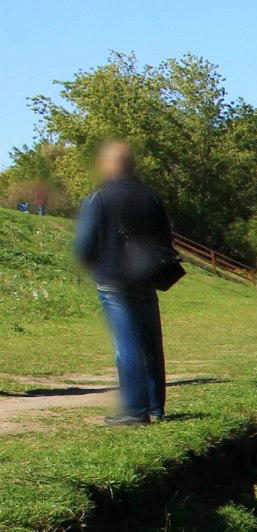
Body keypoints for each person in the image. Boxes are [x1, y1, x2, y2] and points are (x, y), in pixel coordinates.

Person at [73, 140, 178, 426]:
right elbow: (166, 240)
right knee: (151, 342)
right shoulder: (151, 198)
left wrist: (92, 263)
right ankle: (156, 406)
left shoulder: (99, 198)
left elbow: (83, 245)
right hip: (147, 278)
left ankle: (134, 410)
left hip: (113, 279)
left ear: (109, 165)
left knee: (127, 344)